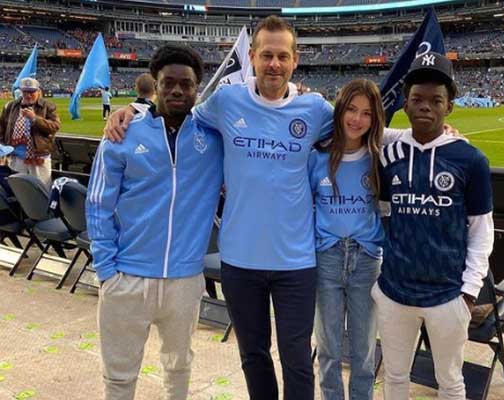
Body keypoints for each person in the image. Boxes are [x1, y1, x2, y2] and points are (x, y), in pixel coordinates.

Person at [106, 16, 334, 400]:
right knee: (253, 355)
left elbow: (360, 128)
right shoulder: (228, 101)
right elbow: (177, 110)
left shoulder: (314, 109)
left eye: (282, 56)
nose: (274, 64)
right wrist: (134, 109)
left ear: (295, 60)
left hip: (295, 261)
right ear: (252, 56)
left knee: (296, 357)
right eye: (266, 55)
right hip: (240, 260)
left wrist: (432, 135)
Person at [86, 44, 223, 400]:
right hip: (127, 277)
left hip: (184, 280)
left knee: (178, 368)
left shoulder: (214, 137)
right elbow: (98, 203)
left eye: (186, 84)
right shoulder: (122, 135)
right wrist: (106, 270)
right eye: (168, 83)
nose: (177, 90)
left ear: (197, 88)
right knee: (119, 375)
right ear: (156, 85)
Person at [372, 52, 494, 400]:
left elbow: (481, 231)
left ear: (449, 107)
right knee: (395, 375)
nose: (425, 106)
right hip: (394, 292)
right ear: (406, 104)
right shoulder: (389, 155)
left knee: (450, 382)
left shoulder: (470, 159)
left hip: (447, 295)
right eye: (417, 99)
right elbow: (383, 213)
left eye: (436, 100)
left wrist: (468, 292)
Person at [308, 78, 385, 400]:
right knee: (328, 348)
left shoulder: (380, 157)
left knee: (363, 351)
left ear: (375, 118)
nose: (357, 119)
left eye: (366, 113)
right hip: (327, 257)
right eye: (351, 110)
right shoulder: (317, 157)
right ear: (339, 111)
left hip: (366, 260)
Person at [0, 77, 60, 187]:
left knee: (41, 189)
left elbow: (54, 126)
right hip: (16, 157)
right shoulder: (10, 106)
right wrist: (3, 148)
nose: (28, 95)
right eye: (25, 92)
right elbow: (2, 128)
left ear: (38, 91)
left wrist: (35, 118)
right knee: (19, 189)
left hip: (39, 157)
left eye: (31, 92)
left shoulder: (48, 106)